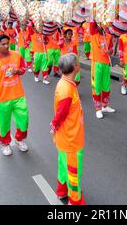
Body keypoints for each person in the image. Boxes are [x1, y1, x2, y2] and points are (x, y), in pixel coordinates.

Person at [0, 34, 29, 156]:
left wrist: (17, 71)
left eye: (7, 43)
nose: (6, 46)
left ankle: (19, 139)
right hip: (2, 99)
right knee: (4, 124)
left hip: (18, 95)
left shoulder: (16, 55)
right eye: (3, 44)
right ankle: (5, 143)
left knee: (23, 122)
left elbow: (24, 68)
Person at [50, 53, 85, 205]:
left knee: (63, 167)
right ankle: (74, 200)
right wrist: (54, 127)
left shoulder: (66, 83)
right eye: (78, 63)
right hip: (71, 139)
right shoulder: (66, 89)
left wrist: (55, 130)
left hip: (65, 137)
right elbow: (60, 114)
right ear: (75, 67)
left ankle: (62, 192)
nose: (79, 65)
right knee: (73, 172)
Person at [90, 22, 115, 119]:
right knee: (97, 86)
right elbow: (92, 24)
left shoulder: (109, 37)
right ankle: (98, 108)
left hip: (106, 64)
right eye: (100, 24)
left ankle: (105, 105)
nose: (102, 27)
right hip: (96, 64)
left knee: (106, 86)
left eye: (104, 25)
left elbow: (111, 49)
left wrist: (110, 52)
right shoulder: (93, 35)